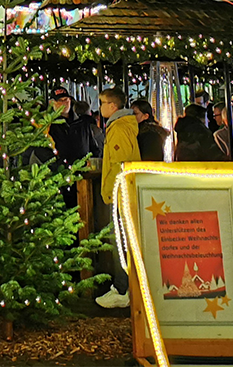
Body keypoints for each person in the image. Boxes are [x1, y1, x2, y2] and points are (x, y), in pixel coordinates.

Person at [96, 89, 138, 310]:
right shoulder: (120, 127)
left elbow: (120, 163)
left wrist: (112, 191)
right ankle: (123, 287)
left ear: (112, 106)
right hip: (121, 193)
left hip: (120, 195)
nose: (99, 107)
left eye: (102, 103)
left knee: (120, 244)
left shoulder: (119, 129)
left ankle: (122, 289)